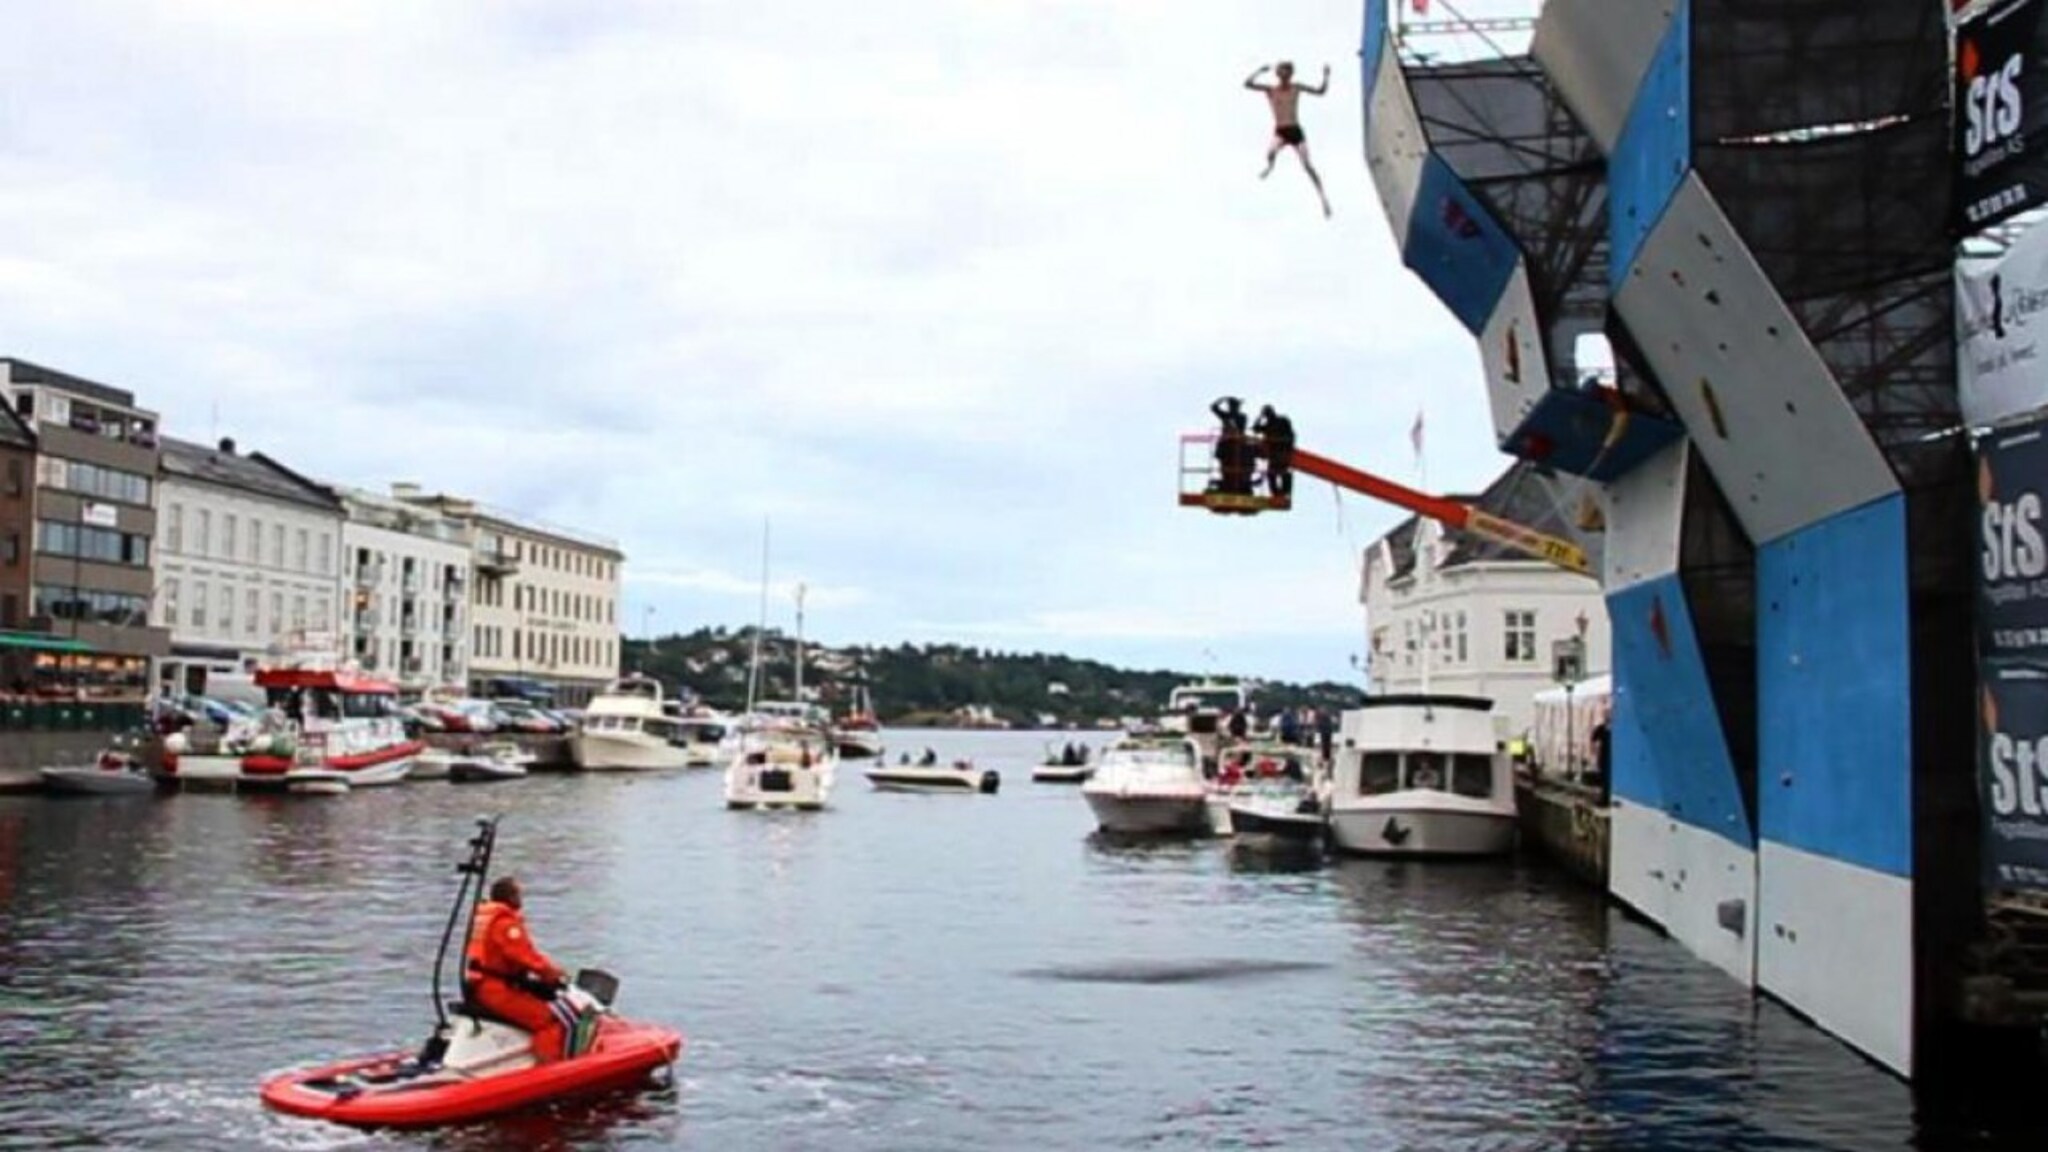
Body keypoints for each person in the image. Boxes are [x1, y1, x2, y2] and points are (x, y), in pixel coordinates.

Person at [465, 876, 577, 1063]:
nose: (521, 899)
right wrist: (555, 975)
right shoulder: (505, 925)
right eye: (518, 894)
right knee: (549, 1020)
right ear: (510, 897)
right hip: (497, 991)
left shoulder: (488, 919)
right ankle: (549, 1066)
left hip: (485, 986)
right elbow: (527, 958)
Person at [1245, 61, 1332, 218]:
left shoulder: (1295, 88)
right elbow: (1248, 84)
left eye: (1287, 73)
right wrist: (1259, 70)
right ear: (1278, 74)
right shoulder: (1271, 90)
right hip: (1281, 131)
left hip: (1295, 131)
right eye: (1282, 73)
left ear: (1290, 74)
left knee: (1307, 165)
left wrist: (1326, 76)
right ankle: (1270, 166)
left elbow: (1320, 91)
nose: (1284, 76)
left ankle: (1323, 198)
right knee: (1270, 153)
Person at [1210, 396, 1254, 496]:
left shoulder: (1239, 416)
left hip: (1237, 444)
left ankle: (1241, 483)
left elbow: (1214, 407)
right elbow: (1213, 407)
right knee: (1226, 466)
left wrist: (1222, 400)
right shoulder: (1228, 416)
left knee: (1241, 464)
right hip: (1227, 445)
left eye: (1233, 405)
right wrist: (1223, 399)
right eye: (1232, 405)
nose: (1233, 407)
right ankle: (1229, 484)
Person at [1252, 404, 1296, 498]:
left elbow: (1291, 435)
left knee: (1282, 472)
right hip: (1274, 453)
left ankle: (1284, 492)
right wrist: (1260, 417)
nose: (1267, 416)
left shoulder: (1282, 421)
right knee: (1272, 474)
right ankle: (1277, 493)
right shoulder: (1268, 425)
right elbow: (1255, 429)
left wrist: (1286, 445)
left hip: (1282, 452)